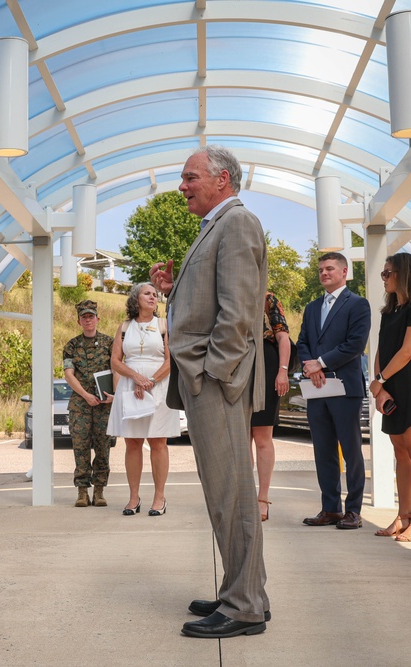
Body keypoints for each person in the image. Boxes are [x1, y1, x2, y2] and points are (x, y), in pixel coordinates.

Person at [149, 145, 269, 639]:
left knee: (231, 495)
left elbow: (238, 311)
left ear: (222, 179)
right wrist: (174, 288)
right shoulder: (215, 225)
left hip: (216, 382)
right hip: (208, 379)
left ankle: (243, 606)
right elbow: (213, 298)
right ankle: (245, 592)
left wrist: (212, 373)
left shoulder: (237, 223)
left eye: (190, 177)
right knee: (227, 493)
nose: (182, 186)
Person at [297, 252, 371, 530]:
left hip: (345, 389)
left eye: (329, 268)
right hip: (317, 388)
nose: (324, 273)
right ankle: (330, 509)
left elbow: (355, 344)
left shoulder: (358, 304)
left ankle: (353, 511)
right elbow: (302, 341)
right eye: (320, 270)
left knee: (351, 450)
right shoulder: (312, 307)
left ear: (344, 271)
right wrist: (310, 367)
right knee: (323, 451)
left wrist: (322, 362)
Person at [370, 253, 411, 542]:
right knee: (400, 453)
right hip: (390, 387)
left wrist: (381, 379)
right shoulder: (390, 311)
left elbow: (408, 352)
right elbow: (382, 350)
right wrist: (378, 385)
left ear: (403, 274)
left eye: (388, 273)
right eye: (383, 273)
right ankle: (405, 516)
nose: (384, 278)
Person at [107, 282, 178, 516]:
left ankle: (160, 498)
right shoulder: (124, 326)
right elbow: (116, 361)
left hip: (158, 386)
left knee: (158, 442)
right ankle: (133, 497)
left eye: (155, 294)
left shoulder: (163, 325)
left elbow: (171, 360)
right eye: (147, 293)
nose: (153, 296)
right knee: (133, 442)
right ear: (135, 299)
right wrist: (136, 378)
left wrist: (150, 382)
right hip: (131, 386)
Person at [63, 299, 116, 508]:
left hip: (104, 405)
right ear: (79, 321)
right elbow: (69, 374)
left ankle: (100, 491)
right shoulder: (72, 346)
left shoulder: (110, 343)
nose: (88, 320)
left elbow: (117, 370)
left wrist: (114, 395)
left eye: (91, 316)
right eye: (84, 317)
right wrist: (85, 395)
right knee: (81, 448)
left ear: (97, 319)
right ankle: (83, 492)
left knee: (103, 448)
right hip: (80, 405)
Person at [250, 292, 292, 522]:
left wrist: (282, 370)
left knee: (262, 436)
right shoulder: (223, 292)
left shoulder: (266, 296)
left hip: (265, 362)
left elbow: (283, 337)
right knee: (240, 437)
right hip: (233, 365)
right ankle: (245, 497)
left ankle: (262, 499)